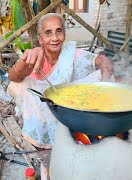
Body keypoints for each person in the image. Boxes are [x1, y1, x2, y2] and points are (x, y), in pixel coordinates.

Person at [7, 13, 113, 149]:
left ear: (64, 33)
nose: (55, 38)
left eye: (59, 31)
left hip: (69, 105)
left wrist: (103, 86)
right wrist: (24, 63)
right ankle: (44, 133)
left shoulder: (72, 53)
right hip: (42, 108)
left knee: (101, 76)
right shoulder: (34, 56)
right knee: (19, 85)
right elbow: (13, 78)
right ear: (40, 39)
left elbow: (104, 61)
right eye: (48, 33)